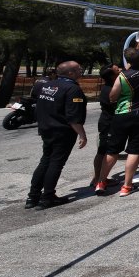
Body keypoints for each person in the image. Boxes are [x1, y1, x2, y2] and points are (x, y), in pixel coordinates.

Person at [95, 30, 139, 197]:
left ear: (128, 61)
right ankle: (126, 186)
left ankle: (101, 182)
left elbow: (113, 96)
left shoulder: (122, 76)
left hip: (123, 114)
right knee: (134, 151)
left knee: (112, 151)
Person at [26, 61, 87, 210]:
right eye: (78, 69)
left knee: (45, 161)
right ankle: (48, 197)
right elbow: (73, 117)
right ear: (70, 73)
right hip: (62, 131)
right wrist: (82, 135)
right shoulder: (72, 89)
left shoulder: (47, 85)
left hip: (46, 129)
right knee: (56, 163)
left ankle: (33, 196)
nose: (81, 71)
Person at [92, 63, 121, 188]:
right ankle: (99, 180)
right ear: (113, 76)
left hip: (107, 123)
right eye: (118, 70)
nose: (121, 70)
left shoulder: (111, 86)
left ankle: (98, 178)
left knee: (102, 151)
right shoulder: (110, 90)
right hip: (108, 124)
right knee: (105, 152)